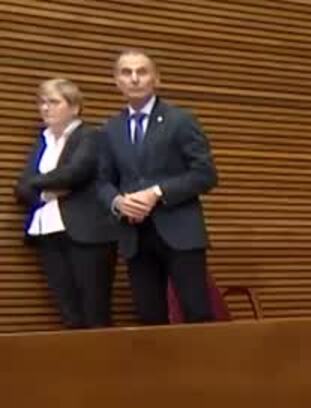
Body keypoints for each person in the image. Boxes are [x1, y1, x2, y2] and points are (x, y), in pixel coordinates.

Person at [94, 50, 218, 325]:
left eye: (142, 71)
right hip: (135, 236)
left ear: (156, 79)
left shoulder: (180, 120)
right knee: (150, 318)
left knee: (197, 313)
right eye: (126, 72)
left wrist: (157, 193)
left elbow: (205, 174)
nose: (134, 78)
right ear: (116, 81)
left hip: (180, 231)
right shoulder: (109, 129)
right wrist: (117, 202)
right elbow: (101, 181)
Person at [15, 79, 115, 329]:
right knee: (68, 311)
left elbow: (75, 173)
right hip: (47, 231)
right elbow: (21, 188)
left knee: (94, 310)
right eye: (42, 102)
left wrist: (37, 183)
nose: (45, 108)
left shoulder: (91, 135)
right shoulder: (43, 141)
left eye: (53, 102)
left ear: (74, 107)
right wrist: (45, 188)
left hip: (87, 233)